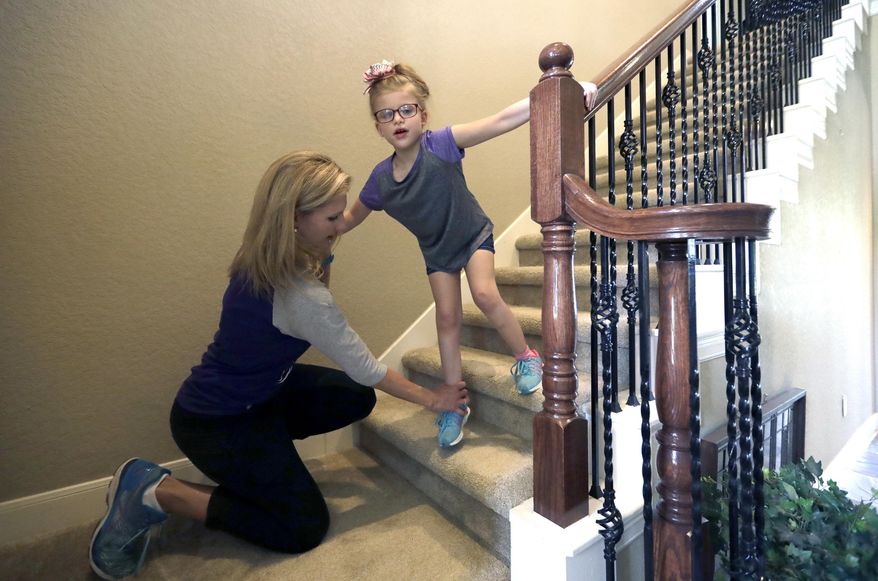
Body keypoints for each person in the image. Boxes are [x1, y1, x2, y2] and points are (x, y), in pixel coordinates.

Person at [89, 151, 469, 580]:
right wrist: (434, 399)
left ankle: (265, 460)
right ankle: (156, 491)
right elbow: (366, 366)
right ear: (293, 219)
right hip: (215, 423)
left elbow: (339, 349)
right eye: (332, 218)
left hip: (262, 393)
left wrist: (324, 253)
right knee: (302, 527)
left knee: (354, 398)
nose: (342, 225)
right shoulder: (301, 296)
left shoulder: (261, 255)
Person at [340, 60, 597, 448]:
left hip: (473, 234)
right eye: (386, 114)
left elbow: (499, 120)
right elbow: (347, 219)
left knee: (484, 294)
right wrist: (308, 228)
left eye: (406, 109)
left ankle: (526, 356)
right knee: (446, 318)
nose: (398, 119)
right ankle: (454, 403)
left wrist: (562, 92)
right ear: (378, 126)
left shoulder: (440, 144)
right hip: (437, 251)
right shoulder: (380, 181)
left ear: (423, 115)